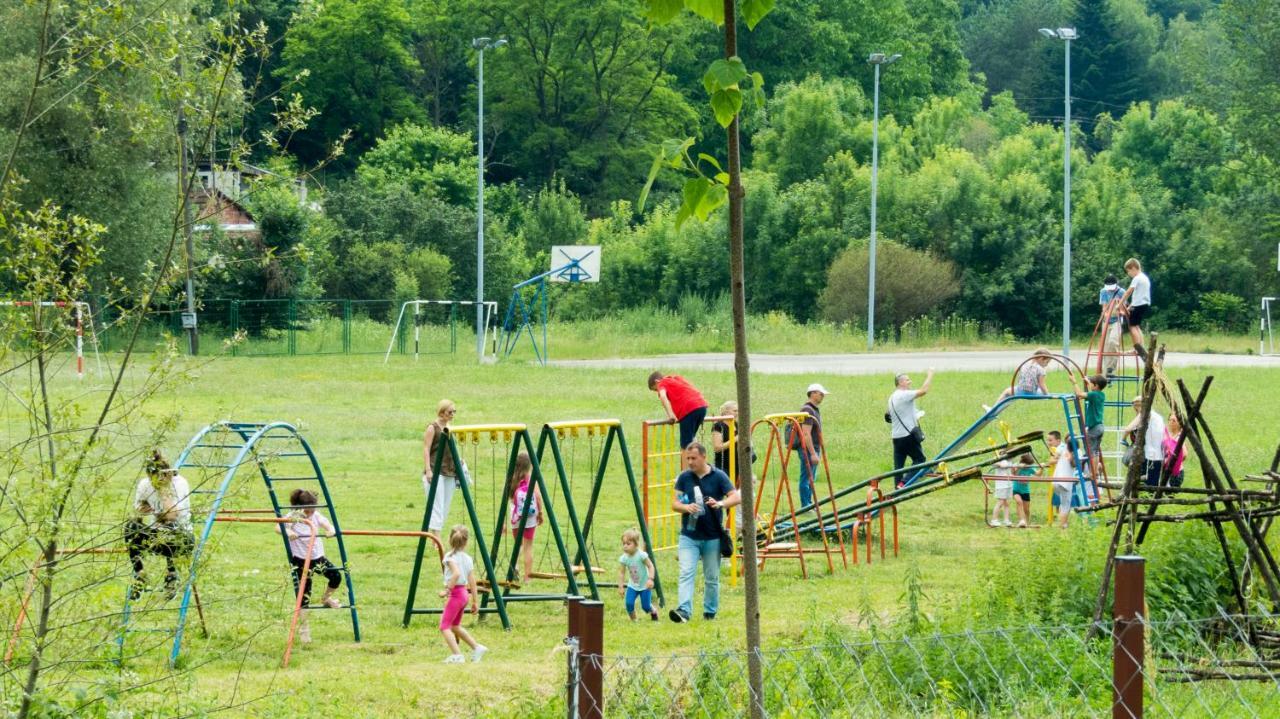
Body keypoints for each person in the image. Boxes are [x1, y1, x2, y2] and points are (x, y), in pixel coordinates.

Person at [669, 442, 740, 623]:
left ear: (703, 457)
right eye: (688, 459)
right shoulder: (684, 478)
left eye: (693, 458)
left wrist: (720, 504)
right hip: (689, 536)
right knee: (686, 572)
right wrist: (686, 507)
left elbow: (736, 496)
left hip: (712, 536)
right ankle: (684, 610)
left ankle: (710, 612)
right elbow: (675, 503)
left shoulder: (719, 476)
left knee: (712, 577)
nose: (690, 462)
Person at [124, 450, 194, 598]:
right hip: (156, 535)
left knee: (169, 527)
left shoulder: (179, 484)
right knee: (131, 526)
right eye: (151, 479)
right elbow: (137, 513)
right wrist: (141, 512)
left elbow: (172, 516)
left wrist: (163, 490)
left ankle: (172, 575)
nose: (153, 482)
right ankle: (140, 574)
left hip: (181, 539)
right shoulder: (145, 484)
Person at [280, 489, 343, 644]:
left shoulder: (316, 516)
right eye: (307, 511)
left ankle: (326, 598)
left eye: (313, 510)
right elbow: (278, 527)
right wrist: (288, 531)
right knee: (304, 595)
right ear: (299, 508)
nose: (310, 513)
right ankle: (304, 630)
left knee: (336, 576)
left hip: (317, 558)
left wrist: (330, 531)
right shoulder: (293, 517)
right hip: (301, 561)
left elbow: (330, 526)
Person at [440, 525, 487, 663]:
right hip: (464, 594)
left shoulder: (449, 557)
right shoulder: (467, 558)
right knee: (454, 626)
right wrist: (475, 601)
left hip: (455, 594)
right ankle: (477, 647)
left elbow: (456, 574)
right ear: (466, 542)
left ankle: (457, 655)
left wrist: (447, 590)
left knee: (444, 626)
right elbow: (472, 581)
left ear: (450, 540)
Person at [423, 399, 464, 540]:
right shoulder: (432, 428)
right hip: (435, 470)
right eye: (450, 412)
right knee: (437, 505)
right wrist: (428, 470)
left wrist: (458, 461)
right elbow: (426, 449)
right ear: (441, 412)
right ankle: (436, 539)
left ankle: (435, 535)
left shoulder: (451, 428)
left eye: (454, 411)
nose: (452, 414)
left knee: (445, 507)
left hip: (450, 471)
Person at [888, 369, 935, 486]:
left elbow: (889, 415)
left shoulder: (892, 397)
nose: (910, 381)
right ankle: (903, 484)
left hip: (896, 437)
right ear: (900, 383)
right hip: (907, 436)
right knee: (920, 460)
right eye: (907, 380)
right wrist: (930, 374)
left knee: (898, 468)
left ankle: (896, 492)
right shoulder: (904, 395)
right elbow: (924, 391)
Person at [648, 372, 708, 450]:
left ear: (657, 381)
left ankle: (686, 462)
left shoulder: (662, 383)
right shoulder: (677, 379)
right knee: (691, 439)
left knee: (685, 446)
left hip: (689, 410)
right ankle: (696, 460)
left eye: (656, 389)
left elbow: (663, 396)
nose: (657, 391)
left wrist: (671, 415)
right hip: (702, 406)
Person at [506, 452, 542, 583]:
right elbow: (537, 496)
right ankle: (527, 578)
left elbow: (507, 498)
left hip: (516, 514)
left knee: (518, 544)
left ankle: (514, 566)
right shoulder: (530, 478)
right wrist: (541, 513)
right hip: (530, 515)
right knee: (528, 547)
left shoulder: (511, 478)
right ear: (529, 466)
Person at [793, 383, 829, 510]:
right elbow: (806, 433)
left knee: (810, 478)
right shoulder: (808, 410)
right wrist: (813, 453)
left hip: (812, 448)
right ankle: (805, 505)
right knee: (807, 478)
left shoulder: (813, 409)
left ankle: (809, 504)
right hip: (808, 449)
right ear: (813, 393)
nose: (823, 396)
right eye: (821, 393)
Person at [617, 528, 658, 622]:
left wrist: (650, 579)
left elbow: (650, 566)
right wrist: (621, 587)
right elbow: (622, 573)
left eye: (628, 544)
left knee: (646, 607)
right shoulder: (624, 558)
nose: (625, 546)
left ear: (636, 544)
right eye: (623, 544)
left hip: (645, 585)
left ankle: (653, 611)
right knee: (629, 603)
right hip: (632, 586)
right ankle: (634, 621)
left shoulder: (641, 555)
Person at [1123, 398, 1166, 487]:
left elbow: (1128, 429)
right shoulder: (1158, 416)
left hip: (1150, 455)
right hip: (1159, 453)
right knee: (1153, 481)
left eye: (1136, 405)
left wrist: (1123, 439)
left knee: (1147, 483)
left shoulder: (1145, 413)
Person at [1118, 258, 1152, 361]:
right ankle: (1141, 347)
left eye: (1128, 271)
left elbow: (1129, 292)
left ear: (1133, 268)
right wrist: (1129, 307)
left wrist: (1119, 304)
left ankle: (1137, 348)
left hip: (1138, 305)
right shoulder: (1145, 278)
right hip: (1144, 304)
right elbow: (1139, 295)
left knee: (1132, 327)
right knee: (1136, 326)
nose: (1128, 273)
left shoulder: (1137, 278)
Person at [711, 401, 753, 478]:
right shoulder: (718, 426)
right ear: (726, 412)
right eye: (735, 411)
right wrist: (736, 439)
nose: (737, 413)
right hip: (724, 466)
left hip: (739, 464)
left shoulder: (737, 424)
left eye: (738, 411)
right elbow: (717, 448)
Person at [1077, 374, 1109, 473]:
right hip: (1099, 426)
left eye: (1091, 384)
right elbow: (1088, 394)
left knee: (1091, 452)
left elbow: (1079, 394)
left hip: (1094, 428)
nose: (1089, 385)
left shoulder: (1094, 394)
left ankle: (1093, 472)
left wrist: (1074, 382)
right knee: (1095, 451)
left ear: (1096, 386)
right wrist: (1088, 382)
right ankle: (1096, 469)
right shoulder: (1100, 395)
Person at [1047, 431, 1076, 529]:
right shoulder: (1074, 450)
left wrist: (1061, 459)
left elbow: (1053, 459)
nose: (1049, 442)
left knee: (1062, 503)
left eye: (1050, 440)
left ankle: (1062, 523)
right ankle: (1063, 526)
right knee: (1065, 505)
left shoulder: (1062, 449)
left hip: (1056, 480)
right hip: (1065, 481)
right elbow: (1074, 464)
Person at [1098, 276, 1126, 375]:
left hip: (1117, 320)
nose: (1110, 289)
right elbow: (1104, 308)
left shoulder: (1121, 292)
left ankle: (1112, 369)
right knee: (1105, 347)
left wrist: (1120, 312)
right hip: (1106, 320)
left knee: (1113, 342)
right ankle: (1106, 373)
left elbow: (1123, 308)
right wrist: (1107, 315)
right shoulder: (1103, 291)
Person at [1012, 452, 1037, 528]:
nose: (1028, 467)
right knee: (1019, 502)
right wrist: (1019, 468)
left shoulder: (1031, 468)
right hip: (1016, 489)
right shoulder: (1017, 466)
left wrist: (1042, 468)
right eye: (1027, 465)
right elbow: (1014, 474)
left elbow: (1038, 474)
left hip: (1025, 491)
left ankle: (1026, 522)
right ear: (1023, 463)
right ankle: (1021, 521)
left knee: (1026, 509)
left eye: (1029, 465)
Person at [1161, 414, 1187, 487]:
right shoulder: (1168, 435)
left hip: (1175, 472)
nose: (1171, 422)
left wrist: (1174, 461)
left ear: (1179, 423)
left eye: (1174, 421)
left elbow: (1184, 454)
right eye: (1170, 420)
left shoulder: (1179, 437)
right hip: (1166, 470)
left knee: (1169, 494)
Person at [989, 460, 1014, 527]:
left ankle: (1006, 520)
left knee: (1007, 503)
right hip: (1001, 485)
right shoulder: (999, 459)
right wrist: (999, 464)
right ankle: (994, 520)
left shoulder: (1009, 460)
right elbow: (992, 463)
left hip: (1009, 484)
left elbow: (1011, 470)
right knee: (1000, 502)